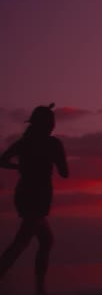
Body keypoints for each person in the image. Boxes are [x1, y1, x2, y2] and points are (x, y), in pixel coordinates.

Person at [0, 103, 69, 295]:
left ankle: (40, 288)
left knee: (46, 240)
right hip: (39, 195)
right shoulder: (53, 143)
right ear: (50, 124)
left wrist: (19, 168)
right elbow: (64, 173)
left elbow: (2, 160)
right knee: (22, 241)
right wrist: (58, 157)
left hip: (23, 193)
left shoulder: (24, 142)